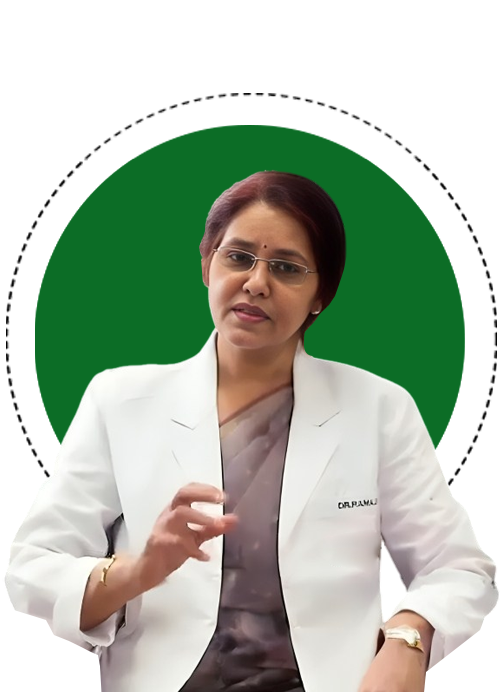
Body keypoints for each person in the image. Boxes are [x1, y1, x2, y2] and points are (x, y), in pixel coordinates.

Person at [5, 171, 498, 692]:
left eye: (286, 267)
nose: (257, 282)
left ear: (321, 295)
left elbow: (459, 570)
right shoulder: (121, 401)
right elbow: (33, 568)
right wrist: (139, 571)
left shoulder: (379, 409)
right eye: (238, 257)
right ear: (206, 264)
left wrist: (407, 639)